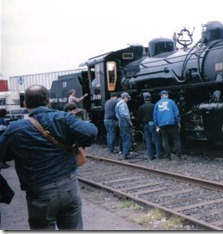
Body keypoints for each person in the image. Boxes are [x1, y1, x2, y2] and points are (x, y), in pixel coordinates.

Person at [0, 85, 97, 230]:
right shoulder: (63, 118)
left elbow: (3, 154)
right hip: (69, 186)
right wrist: (77, 143)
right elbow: (90, 132)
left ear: (25, 104)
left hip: (40, 193)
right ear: (49, 101)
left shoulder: (15, 129)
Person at [153, 90, 183, 161]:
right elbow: (176, 113)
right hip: (171, 123)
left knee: (165, 140)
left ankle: (168, 156)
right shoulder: (171, 102)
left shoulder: (157, 104)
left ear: (161, 96)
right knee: (176, 139)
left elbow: (155, 116)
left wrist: (156, 125)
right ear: (167, 95)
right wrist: (178, 122)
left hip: (162, 125)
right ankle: (179, 155)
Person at [137, 92, 163, 160]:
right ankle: (159, 155)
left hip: (145, 125)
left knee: (148, 140)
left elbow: (139, 118)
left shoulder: (141, 107)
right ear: (150, 98)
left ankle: (151, 156)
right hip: (152, 123)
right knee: (156, 139)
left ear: (144, 99)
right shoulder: (153, 106)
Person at [115, 92, 133, 159]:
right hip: (124, 122)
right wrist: (130, 122)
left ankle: (123, 152)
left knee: (123, 137)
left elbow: (117, 115)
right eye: (127, 97)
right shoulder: (123, 104)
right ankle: (126, 154)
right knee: (128, 138)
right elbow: (126, 115)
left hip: (120, 122)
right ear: (125, 97)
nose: (128, 99)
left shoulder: (117, 104)